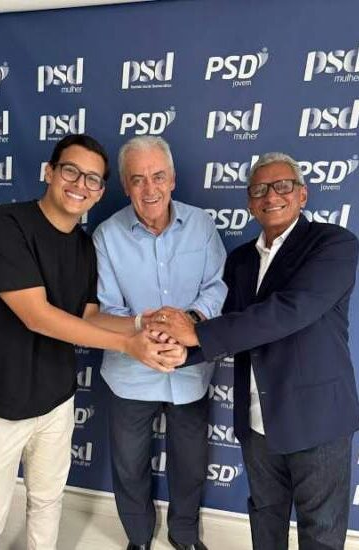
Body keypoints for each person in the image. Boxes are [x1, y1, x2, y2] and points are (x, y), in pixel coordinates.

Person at [0, 134, 185, 550]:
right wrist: (127, 346)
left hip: (56, 399)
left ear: (100, 192)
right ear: (49, 172)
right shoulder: (5, 222)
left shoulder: (84, 246)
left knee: (47, 502)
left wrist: (142, 324)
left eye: (93, 179)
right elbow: (36, 314)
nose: (81, 184)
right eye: (71, 171)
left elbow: (89, 315)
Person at [149, 152, 359, 550]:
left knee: (322, 532)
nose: (271, 196)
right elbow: (227, 323)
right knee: (264, 518)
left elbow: (289, 312)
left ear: (302, 195)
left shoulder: (333, 244)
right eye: (260, 190)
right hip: (257, 423)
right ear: (249, 203)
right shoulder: (241, 259)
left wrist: (195, 335)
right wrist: (181, 353)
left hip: (318, 421)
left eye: (283, 186)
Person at [93, 136, 227, 550]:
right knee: (129, 465)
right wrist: (148, 338)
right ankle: (138, 538)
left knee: (190, 465)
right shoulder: (106, 236)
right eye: (137, 179)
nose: (149, 188)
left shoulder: (201, 225)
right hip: (130, 372)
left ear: (172, 179)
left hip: (189, 370)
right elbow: (107, 307)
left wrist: (189, 324)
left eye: (157, 176)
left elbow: (216, 286)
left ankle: (184, 535)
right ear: (126, 186)